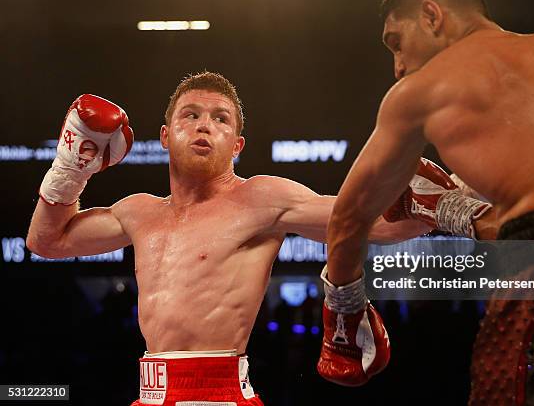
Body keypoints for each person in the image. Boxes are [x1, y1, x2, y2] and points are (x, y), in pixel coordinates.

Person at [26, 72, 494, 405]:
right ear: (166, 136)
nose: (205, 124)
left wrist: (442, 207)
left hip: (224, 394)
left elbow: (363, 221)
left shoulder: (262, 199)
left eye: (220, 118)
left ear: (237, 144)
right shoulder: (138, 211)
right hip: (150, 393)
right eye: (190, 115)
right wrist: (71, 167)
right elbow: (46, 242)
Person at [319, 0, 534, 405]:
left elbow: (348, 220)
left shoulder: (424, 90)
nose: (398, 67)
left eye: (397, 42)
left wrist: (344, 313)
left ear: (431, 14)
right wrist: (454, 208)